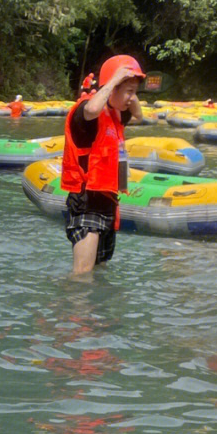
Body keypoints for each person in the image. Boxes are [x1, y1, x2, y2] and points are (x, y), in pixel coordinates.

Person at [60, 54, 145, 275]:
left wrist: (130, 89)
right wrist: (114, 80)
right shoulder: (85, 114)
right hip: (87, 202)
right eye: (128, 92)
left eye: (134, 92)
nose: (131, 98)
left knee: (99, 271)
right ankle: (72, 310)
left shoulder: (116, 115)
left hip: (108, 204)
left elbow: (139, 115)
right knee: (82, 273)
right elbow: (90, 110)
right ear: (111, 87)